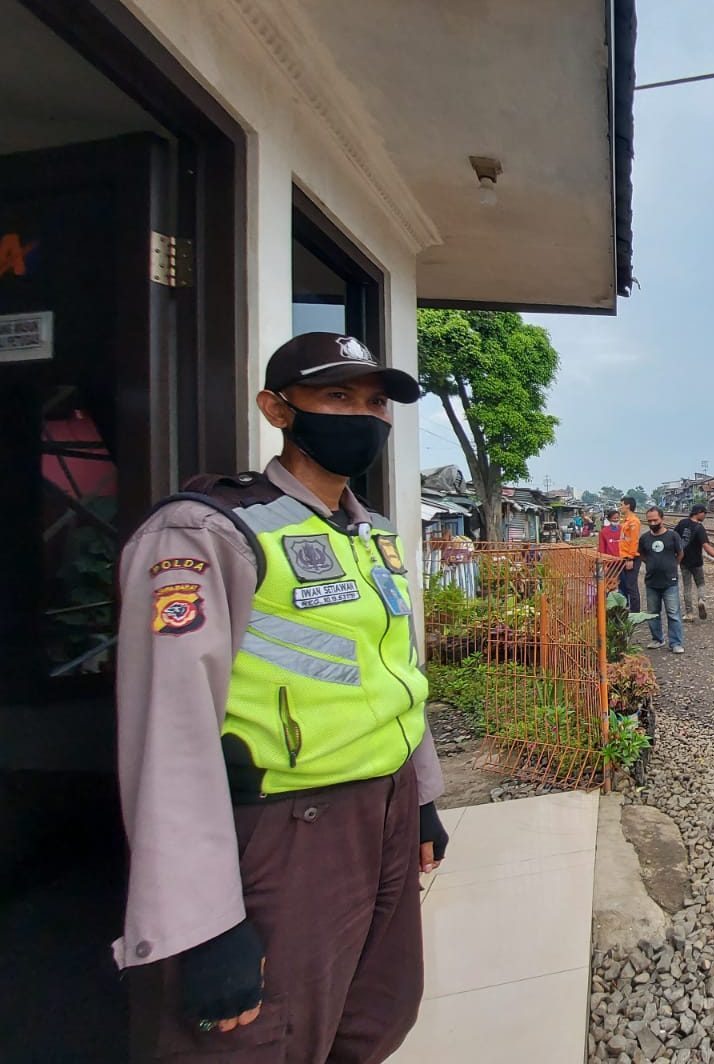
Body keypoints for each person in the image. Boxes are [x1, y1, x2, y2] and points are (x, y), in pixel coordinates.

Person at [114, 332, 449, 1060]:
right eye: (337, 397)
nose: (364, 416)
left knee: (373, 1015)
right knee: (270, 1036)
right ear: (277, 409)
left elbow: (394, 671)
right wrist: (199, 921)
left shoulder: (374, 535)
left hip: (384, 813)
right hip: (288, 828)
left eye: (374, 402)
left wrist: (420, 796)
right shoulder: (210, 531)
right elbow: (170, 733)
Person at [638, 507, 685, 654]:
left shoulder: (673, 536)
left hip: (669, 581)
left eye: (655, 520)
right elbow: (642, 555)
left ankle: (676, 643)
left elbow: (680, 554)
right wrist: (652, 565)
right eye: (650, 520)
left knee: (673, 613)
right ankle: (657, 639)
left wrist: (671, 566)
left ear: (662, 519)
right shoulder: (644, 538)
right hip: (651, 582)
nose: (652, 523)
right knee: (653, 612)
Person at [673, 504, 714, 622]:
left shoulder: (682, 523)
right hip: (696, 561)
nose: (705, 515)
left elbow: (673, 538)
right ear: (698, 512)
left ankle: (689, 613)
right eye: (704, 513)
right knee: (700, 584)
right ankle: (701, 600)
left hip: (683, 560)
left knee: (687, 587)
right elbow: (706, 547)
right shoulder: (699, 528)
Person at [616, 495, 642, 611]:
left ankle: (635, 612)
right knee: (624, 584)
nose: (620, 507)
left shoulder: (633, 522)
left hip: (630, 558)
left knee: (631, 586)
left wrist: (630, 558)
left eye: (621, 505)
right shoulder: (625, 521)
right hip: (624, 557)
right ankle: (627, 608)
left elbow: (634, 540)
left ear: (628, 505)